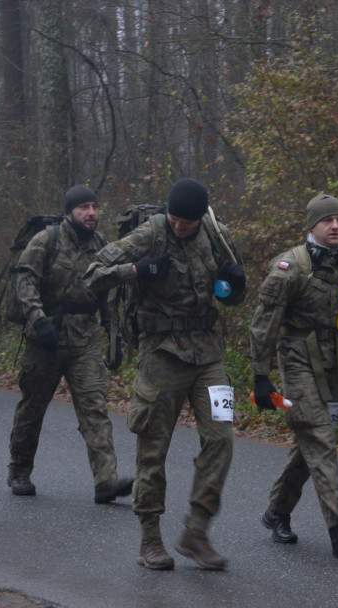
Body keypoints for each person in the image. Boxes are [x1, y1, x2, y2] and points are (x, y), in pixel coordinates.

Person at [84, 179, 246, 571]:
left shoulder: (216, 235)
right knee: (153, 446)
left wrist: (235, 284)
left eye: (186, 224)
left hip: (208, 352)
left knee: (221, 438)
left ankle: (197, 530)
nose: (180, 229)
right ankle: (150, 539)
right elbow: (91, 274)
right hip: (161, 352)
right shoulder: (151, 232)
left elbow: (231, 294)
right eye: (175, 221)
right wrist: (136, 270)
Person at [249, 193, 338, 559]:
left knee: (310, 445)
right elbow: (264, 325)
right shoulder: (290, 267)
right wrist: (260, 377)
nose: (336, 226)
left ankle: (276, 511)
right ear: (312, 225)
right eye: (328, 220)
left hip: (335, 367)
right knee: (320, 438)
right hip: (296, 362)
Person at [6, 185, 133, 504]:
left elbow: (108, 290)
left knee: (95, 407)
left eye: (94, 207)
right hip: (46, 339)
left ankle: (106, 480)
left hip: (84, 339)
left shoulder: (101, 244)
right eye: (84, 208)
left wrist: (113, 335)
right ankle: (19, 470)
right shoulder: (46, 240)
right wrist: (38, 320)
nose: (91, 213)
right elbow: (24, 282)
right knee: (32, 409)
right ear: (69, 213)